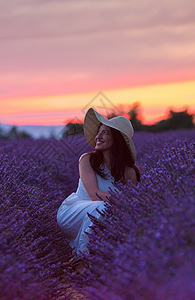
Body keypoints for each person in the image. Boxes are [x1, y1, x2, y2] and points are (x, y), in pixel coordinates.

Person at [57, 108, 141, 266]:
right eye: (98, 132)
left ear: (118, 140)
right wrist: (123, 202)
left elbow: (134, 206)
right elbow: (94, 195)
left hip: (104, 217)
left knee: (112, 214)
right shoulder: (87, 160)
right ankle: (82, 260)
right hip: (74, 212)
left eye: (105, 133)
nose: (98, 137)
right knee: (102, 207)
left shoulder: (130, 172)